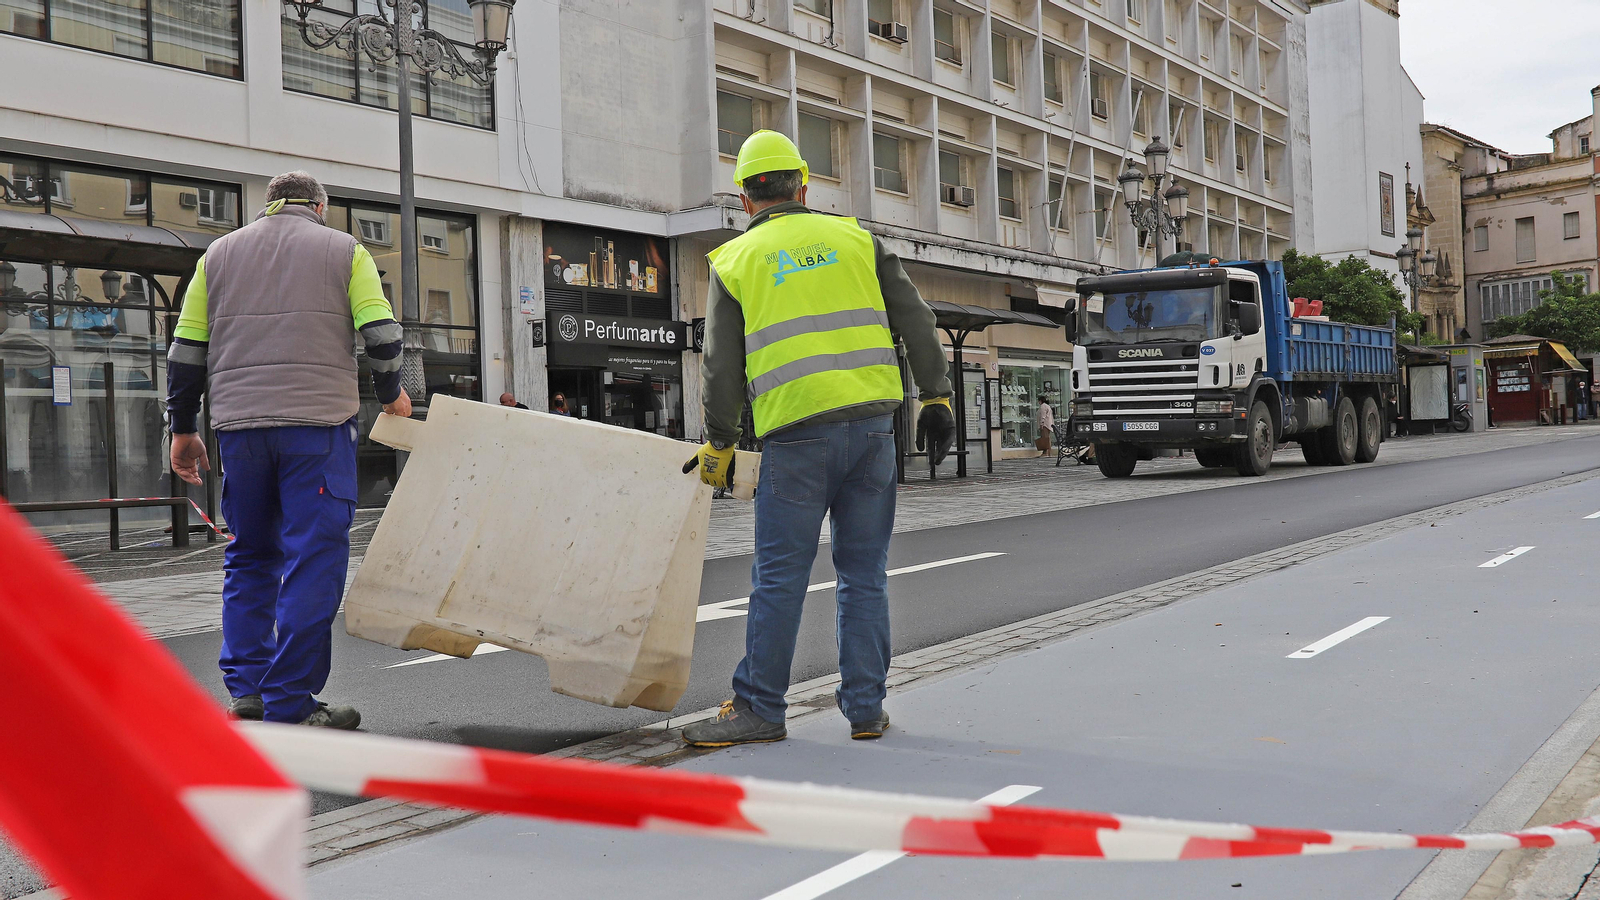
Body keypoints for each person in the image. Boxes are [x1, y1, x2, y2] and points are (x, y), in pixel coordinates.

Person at [681, 130, 955, 747]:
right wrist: (936, 395)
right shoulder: (858, 239)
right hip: (872, 433)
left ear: (746, 197)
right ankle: (865, 709)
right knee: (864, 573)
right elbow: (915, 317)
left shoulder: (735, 261)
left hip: (796, 438)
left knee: (780, 576)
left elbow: (721, 365)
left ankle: (760, 709)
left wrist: (720, 442)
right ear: (803, 185)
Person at [167, 170, 410, 730]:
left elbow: (187, 350)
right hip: (317, 429)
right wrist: (391, 394)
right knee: (314, 559)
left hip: (239, 430)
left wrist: (182, 427)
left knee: (249, 555)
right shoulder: (346, 250)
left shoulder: (218, 255)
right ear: (319, 207)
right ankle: (290, 702)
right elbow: (381, 333)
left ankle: (248, 690)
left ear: (267, 207)